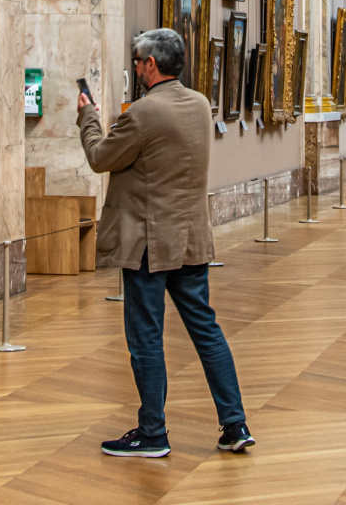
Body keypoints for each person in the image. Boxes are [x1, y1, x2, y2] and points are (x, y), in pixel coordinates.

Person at [78, 29, 251, 458]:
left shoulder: (143, 113)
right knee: (206, 331)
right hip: (190, 240)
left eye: (137, 62)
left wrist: (88, 116)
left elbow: (100, 158)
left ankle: (152, 432)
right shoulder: (199, 104)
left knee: (146, 338)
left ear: (151, 64)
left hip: (148, 245)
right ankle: (235, 423)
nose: (135, 69)